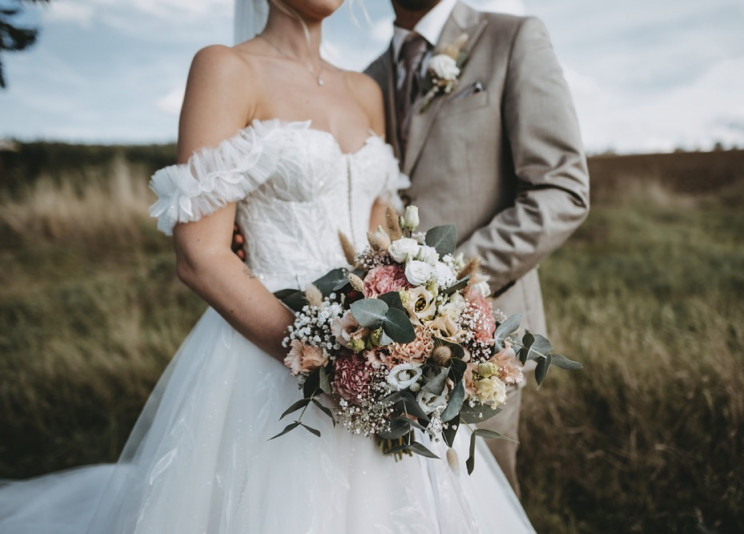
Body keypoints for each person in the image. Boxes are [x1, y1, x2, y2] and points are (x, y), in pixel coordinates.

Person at [0, 1, 537, 532]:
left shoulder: (368, 91)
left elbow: (381, 240)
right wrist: (328, 364)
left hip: (377, 350)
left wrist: (403, 339)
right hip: (269, 347)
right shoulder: (226, 68)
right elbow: (201, 255)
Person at [364, 0, 590, 496]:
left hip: (485, 340)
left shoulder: (513, 38)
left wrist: (450, 285)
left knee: (483, 502)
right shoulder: (365, 80)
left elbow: (562, 190)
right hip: (376, 354)